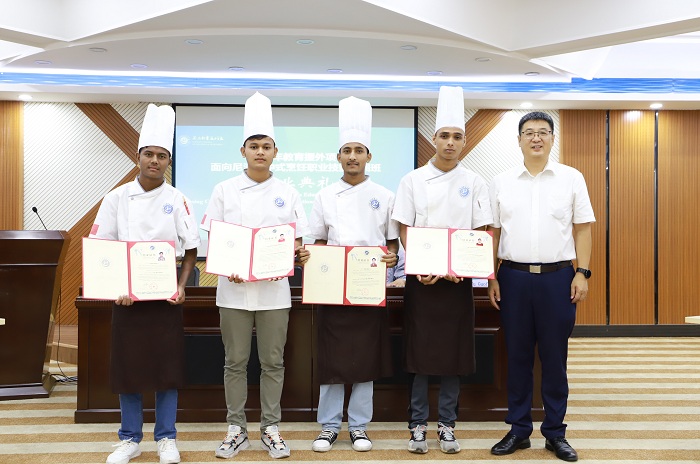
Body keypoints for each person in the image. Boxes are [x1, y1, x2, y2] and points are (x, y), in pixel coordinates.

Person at [200, 92, 310, 460]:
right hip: (232, 291)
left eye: (266, 146)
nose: (260, 152)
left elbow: (297, 241)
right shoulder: (224, 190)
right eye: (254, 146)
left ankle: (270, 428)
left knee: (273, 362)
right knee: (234, 362)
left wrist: (300, 254)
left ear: (276, 152)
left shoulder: (288, 192)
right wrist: (225, 263)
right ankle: (236, 429)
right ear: (243, 151)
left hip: (274, 292)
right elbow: (215, 237)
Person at [90, 104, 201, 464]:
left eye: (162, 155)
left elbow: (191, 249)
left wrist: (182, 286)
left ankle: (166, 437)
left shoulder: (178, 199)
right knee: (129, 369)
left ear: (169, 161)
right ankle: (130, 438)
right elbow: (102, 246)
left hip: (165, 295)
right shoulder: (116, 198)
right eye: (149, 154)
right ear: (138, 156)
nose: (155, 160)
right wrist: (114, 287)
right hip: (127, 296)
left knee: (167, 369)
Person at [488, 111, 594, 463]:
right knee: (517, 357)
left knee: (554, 357)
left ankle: (555, 433)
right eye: (529, 132)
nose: (536, 138)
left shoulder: (571, 178)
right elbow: (493, 233)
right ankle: (518, 430)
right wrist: (491, 276)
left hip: (557, 278)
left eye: (543, 132)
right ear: (518, 140)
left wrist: (583, 273)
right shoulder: (501, 181)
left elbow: (583, 228)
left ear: (552, 138)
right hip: (513, 277)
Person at [391, 86, 493, 454]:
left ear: (464, 142)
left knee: (454, 356)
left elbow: (481, 230)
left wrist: (463, 268)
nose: (450, 142)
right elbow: (405, 227)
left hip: (457, 283)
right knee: (419, 356)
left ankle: (447, 425)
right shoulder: (413, 179)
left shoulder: (475, 182)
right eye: (445, 135)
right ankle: (418, 425)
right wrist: (420, 265)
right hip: (422, 281)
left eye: (457, 136)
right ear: (433, 139)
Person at [307, 96, 399, 453]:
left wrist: (392, 258)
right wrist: (311, 257)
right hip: (332, 287)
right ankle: (329, 426)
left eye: (359, 150)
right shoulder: (324, 195)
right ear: (338, 157)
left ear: (368, 157)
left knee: (366, 358)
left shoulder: (385, 196)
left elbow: (392, 244)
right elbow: (318, 240)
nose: (352, 156)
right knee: (331, 358)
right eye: (347, 150)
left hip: (368, 286)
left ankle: (359, 427)